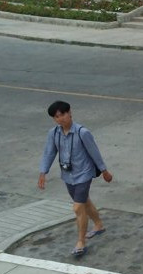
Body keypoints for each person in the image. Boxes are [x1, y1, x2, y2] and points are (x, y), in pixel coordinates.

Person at [38, 101, 112, 257]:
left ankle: (81, 243)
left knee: (78, 208)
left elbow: (94, 152)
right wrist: (43, 172)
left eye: (63, 115)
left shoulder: (82, 132)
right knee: (84, 202)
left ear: (69, 113)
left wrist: (104, 170)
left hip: (84, 174)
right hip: (68, 175)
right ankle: (98, 225)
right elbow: (49, 153)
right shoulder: (54, 133)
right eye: (56, 117)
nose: (60, 119)